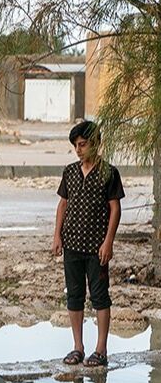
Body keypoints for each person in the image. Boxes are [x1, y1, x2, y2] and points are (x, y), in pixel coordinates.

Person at [54, 121, 124, 368]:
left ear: (95, 143)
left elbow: (115, 209)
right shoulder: (70, 172)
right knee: (74, 295)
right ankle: (78, 348)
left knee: (100, 297)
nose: (78, 150)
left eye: (82, 144)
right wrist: (57, 235)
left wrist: (108, 242)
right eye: (76, 146)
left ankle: (101, 350)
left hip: (97, 247)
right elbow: (63, 204)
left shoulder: (109, 173)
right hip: (72, 243)